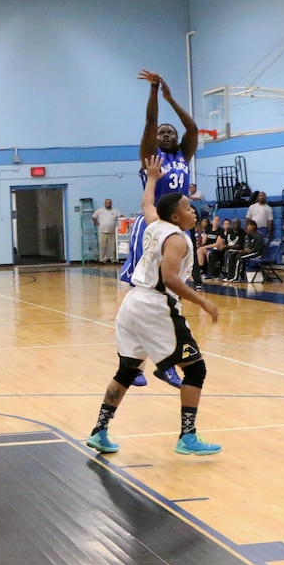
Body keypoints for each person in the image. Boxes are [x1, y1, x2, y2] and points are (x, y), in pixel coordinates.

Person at [86, 190, 221, 457]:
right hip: (155, 307)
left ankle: (99, 431)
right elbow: (170, 278)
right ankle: (188, 436)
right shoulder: (177, 240)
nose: (193, 210)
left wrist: (151, 178)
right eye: (187, 207)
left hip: (132, 304)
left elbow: (147, 204)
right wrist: (203, 302)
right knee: (196, 370)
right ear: (175, 216)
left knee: (127, 370)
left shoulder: (156, 223)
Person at [122, 70, 199, 390]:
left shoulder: (184, 154)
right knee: (146, 292)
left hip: (179, 227)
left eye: (171, 131)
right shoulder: (149, 157)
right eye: (162, 131)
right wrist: (154, 91)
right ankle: (142, 362)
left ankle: (152, 359)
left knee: (169, 295)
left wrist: (171, 98)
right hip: (153, 224)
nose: (166, 133)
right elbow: (150, 123)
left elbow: (192, 128)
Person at [91, 199, 119, 265]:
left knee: (113, 247)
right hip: (102, 232)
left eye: (109, 203)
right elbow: (93, 217)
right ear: (104, 203)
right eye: (106, 203)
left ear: (111, 203)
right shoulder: (100, 210)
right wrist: (96, 223)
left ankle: (113, 259)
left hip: (112, 232)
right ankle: (102, 259)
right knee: (102, 246)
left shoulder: (115, 211)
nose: (108, 204)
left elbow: (121, 216)